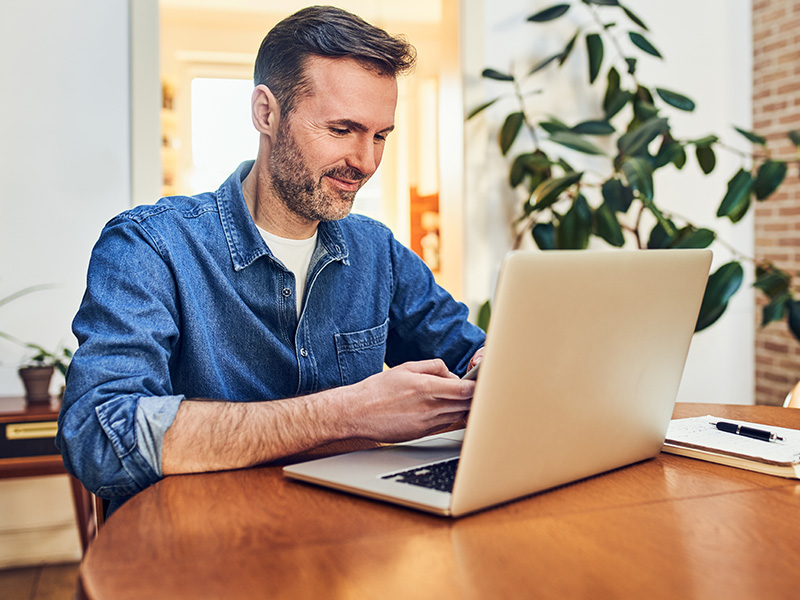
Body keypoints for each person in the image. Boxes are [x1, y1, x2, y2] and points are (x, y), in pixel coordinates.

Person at [56, 5, 485, 514]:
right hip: (199, 558)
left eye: (380, 136)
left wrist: (492, 372)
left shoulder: (379, 253)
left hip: (348, 551)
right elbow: (101, 438)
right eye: (342, 129)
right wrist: (348, 413)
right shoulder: (150, 247)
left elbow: (471, 357)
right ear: (266, 112)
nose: (366, 163)